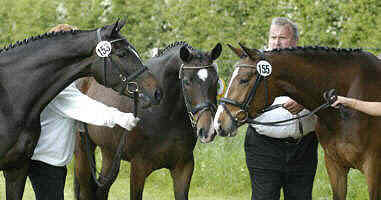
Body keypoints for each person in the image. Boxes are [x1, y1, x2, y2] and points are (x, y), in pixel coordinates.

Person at [27, 24, 140, 200]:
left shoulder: (48, 75)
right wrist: (120, 117)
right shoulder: (56, 84)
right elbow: (81, 106)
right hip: (47, 162)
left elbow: (67, 111)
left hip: (47, 159)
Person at [244, 17, 319, 200]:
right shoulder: (254, 66)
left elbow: (327, 97)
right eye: (273, 37)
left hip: (303, 149)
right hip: (264, 148)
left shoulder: (311, 67)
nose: (276, 42)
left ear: (295, 41)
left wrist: (305, 101)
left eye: (282, 38)